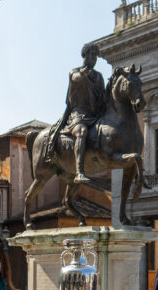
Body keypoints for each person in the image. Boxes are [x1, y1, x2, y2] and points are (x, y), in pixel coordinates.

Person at [47, 43, 106, 184]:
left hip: (95, 115)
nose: (94, 58)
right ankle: (79, 172)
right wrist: (83, 74)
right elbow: (76, 78)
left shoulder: (99, 76)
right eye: (92, 54)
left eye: (96, 56)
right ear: (85, 55)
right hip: (78, 114)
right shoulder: (75, 72)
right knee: (82, 131)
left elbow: (103, 97)